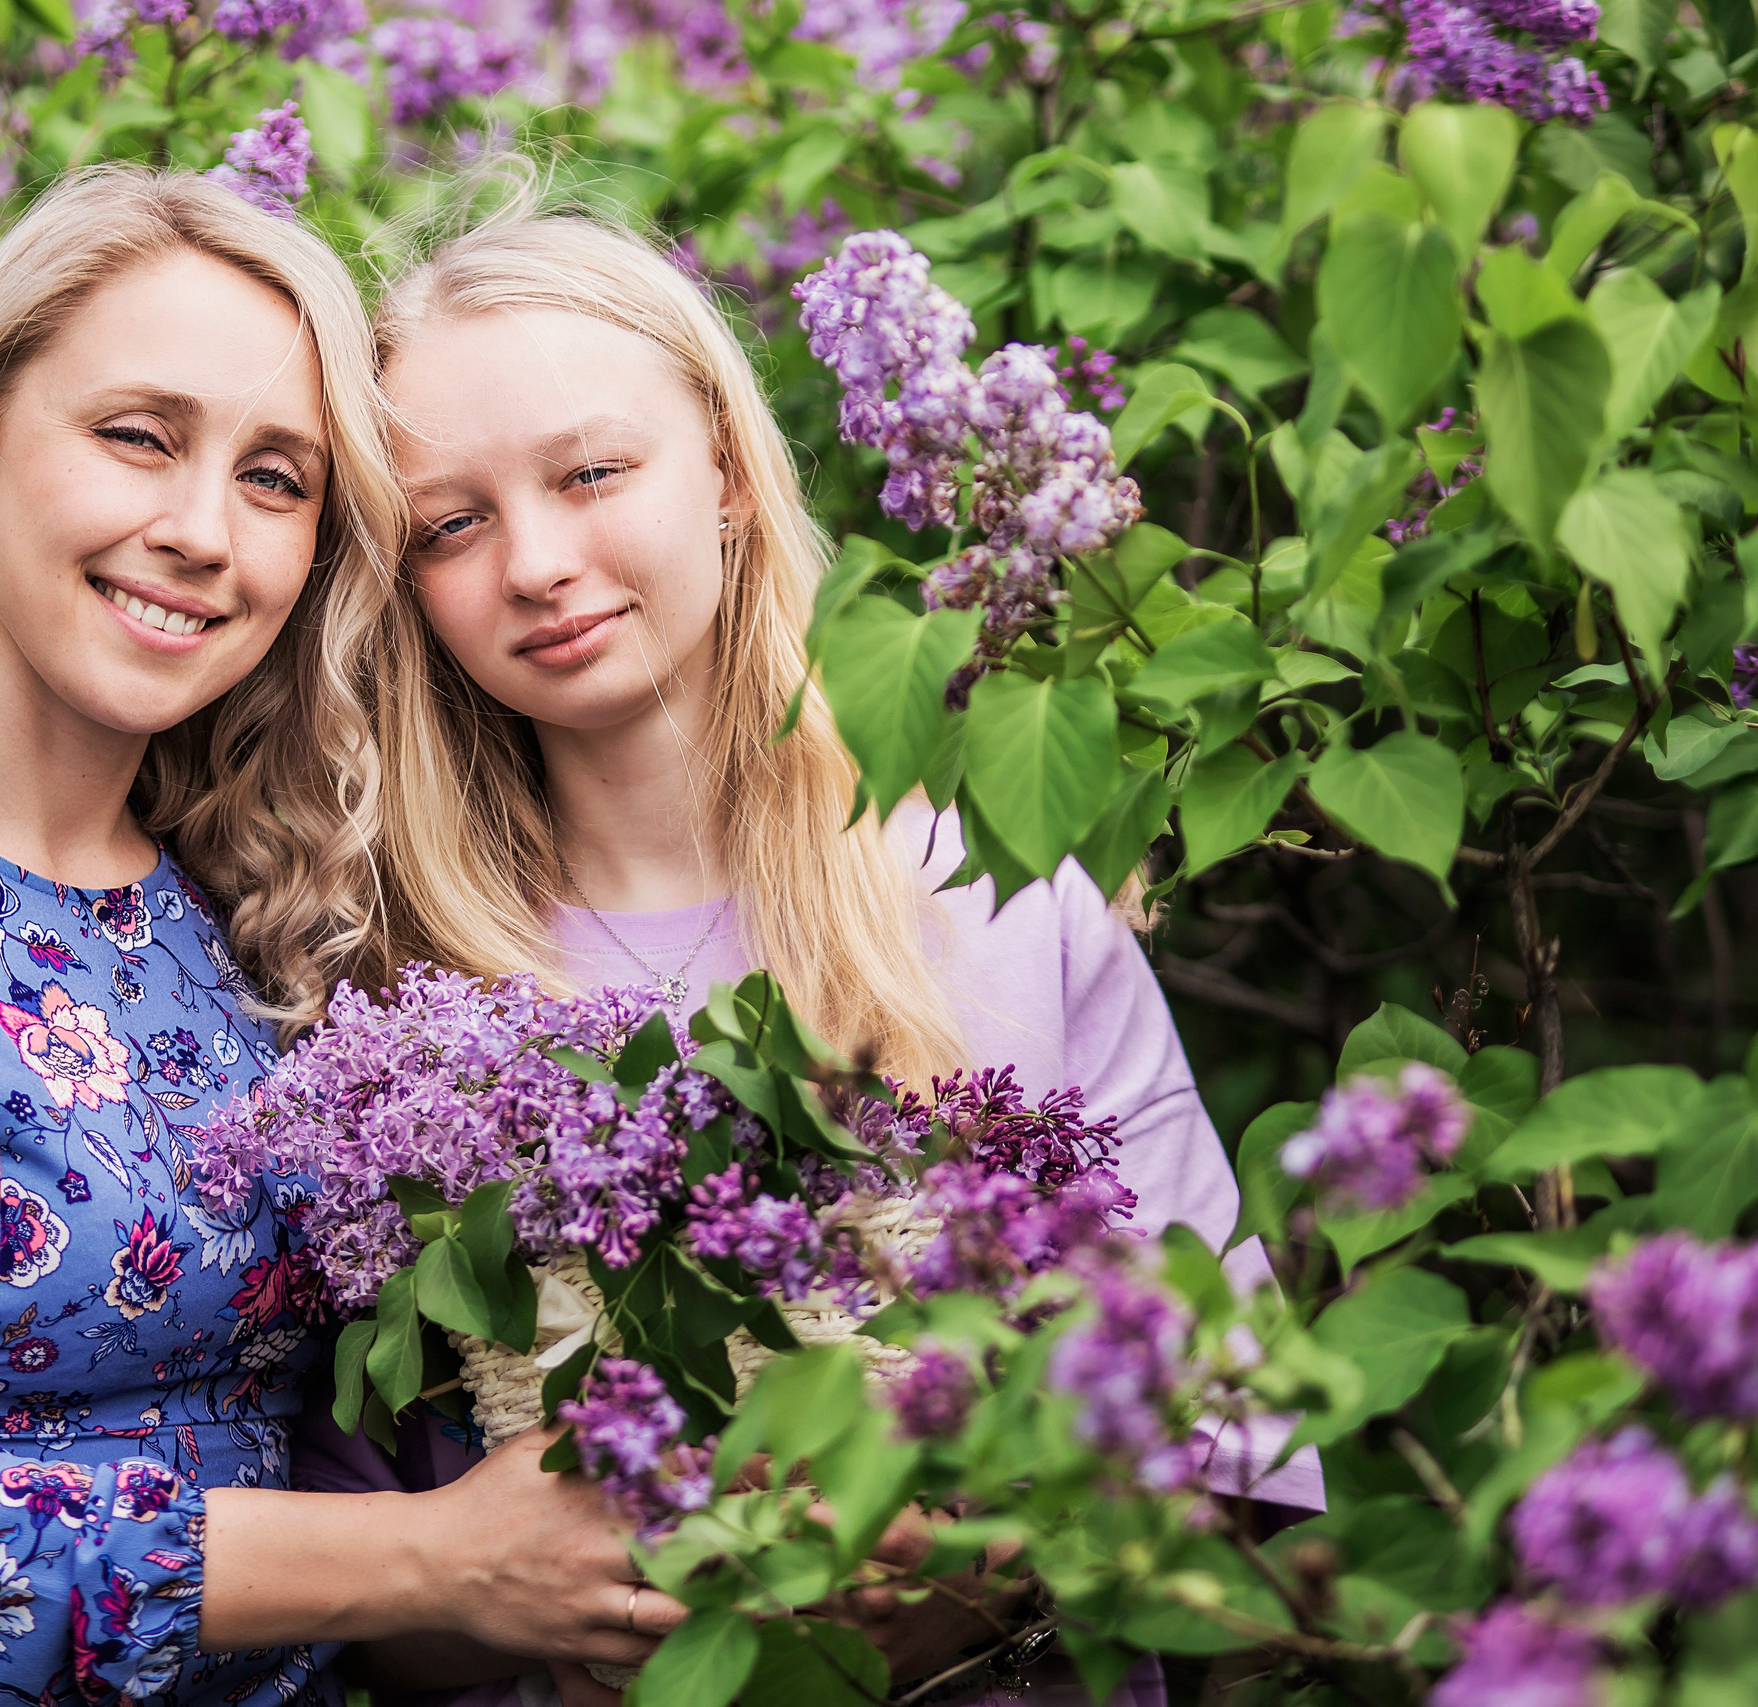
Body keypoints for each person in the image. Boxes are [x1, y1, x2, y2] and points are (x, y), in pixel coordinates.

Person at [0, 170, 686, 1707]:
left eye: (277, 480)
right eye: (139, 437)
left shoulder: (250, 916)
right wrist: (434, 1560)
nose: (200, 532)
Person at [295, 201, 1321, 1707]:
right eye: (451, 523)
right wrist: (552, 1606)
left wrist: (977, 1577)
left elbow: (1234, 1448)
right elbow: (359, 1590)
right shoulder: (401, 998)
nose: (536, 561)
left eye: (593, 473)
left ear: (719, 461)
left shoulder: (993, 888)